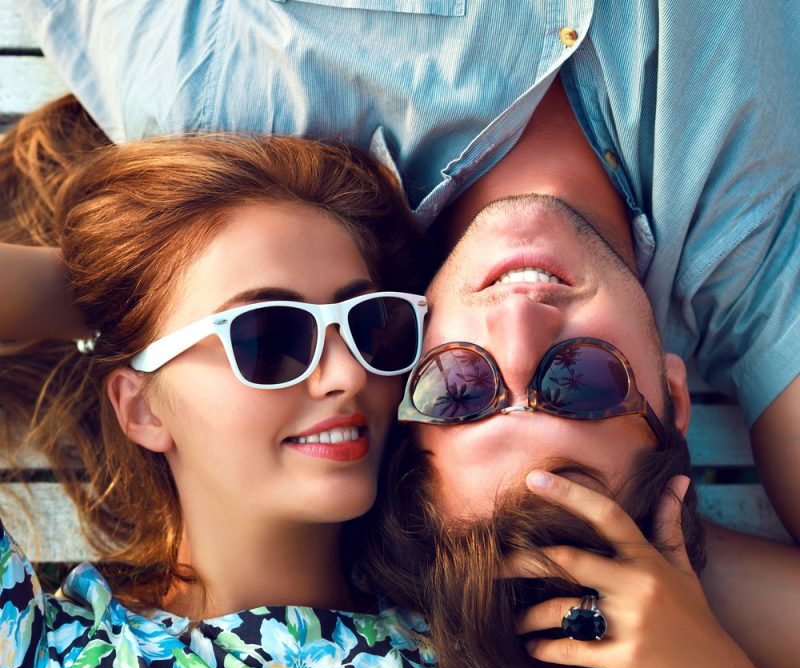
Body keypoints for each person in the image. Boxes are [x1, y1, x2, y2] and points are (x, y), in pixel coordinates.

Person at [1, 102, 798, 668]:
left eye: (374, 329)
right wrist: (116, 297)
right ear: (140, 406)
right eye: (268, 337)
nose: (346, 375)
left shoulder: (517, 642)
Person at [13, 0, 800, 542]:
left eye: (461, 392)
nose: (522, 321)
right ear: (672, 393)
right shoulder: (757, 260)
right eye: (583, 385)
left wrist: (97, 295)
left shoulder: (229, 102)